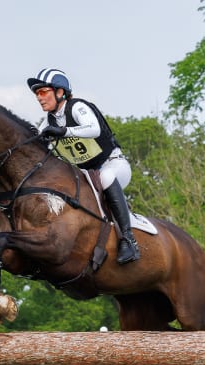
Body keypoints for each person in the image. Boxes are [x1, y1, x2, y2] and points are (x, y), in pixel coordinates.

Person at [28, 67, 140, 264]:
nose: (39, 97)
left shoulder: (78, 107)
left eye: (43, 92)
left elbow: (94, 129)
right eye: (37, 94)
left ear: (60, 92)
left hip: (113, 164)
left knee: (105, 178)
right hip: (86, 174)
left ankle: (129, 241)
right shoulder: (49, 121)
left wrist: (63, 132)